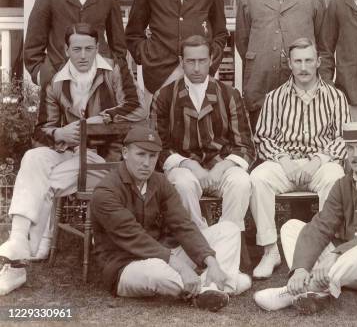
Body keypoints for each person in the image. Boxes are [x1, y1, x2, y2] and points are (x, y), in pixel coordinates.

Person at [0, 23, 145, 296]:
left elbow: (136, 110)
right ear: (66, 49)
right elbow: (40, 131)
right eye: (76, 49)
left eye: (89, 49)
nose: (83, 55)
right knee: (33, 158)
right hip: (68, 153)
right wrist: (59, 132)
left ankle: (20, 256)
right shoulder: (57, 80)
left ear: (97, 48)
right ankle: (20, 240)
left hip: (104, 161)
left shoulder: (113, 70)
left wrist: (98, 121)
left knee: (45, 182)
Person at [253, 121, 357, 314]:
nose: (355, 155)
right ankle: (316, 287)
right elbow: (321, 227)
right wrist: (300, 268)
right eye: (350, 148)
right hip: (352, 272)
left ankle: (297, 291)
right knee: (292, 227)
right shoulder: (343, 184)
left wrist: (335, 255)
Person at [91, 126, 251, 311]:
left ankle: (211, 287)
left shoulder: (159, 181)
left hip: (164, 255)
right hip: (126, 266)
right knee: (156, 272)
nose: (146, 163)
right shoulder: (106, 191)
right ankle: (223, 285)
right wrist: (182, 267)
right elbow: (136, 238)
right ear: (125, 153)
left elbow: (183, 225)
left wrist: (211, 261)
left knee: (228, 229)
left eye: (152, 156)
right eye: (140, 154)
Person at [250, 37, 350, 279]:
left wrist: (318, 160)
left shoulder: (335, 97)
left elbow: (344, 138)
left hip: (320, 163)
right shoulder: (275, 97)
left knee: (336, 176)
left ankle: (326, 249)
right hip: (284, 163)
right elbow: (263, 138)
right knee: (257, 178)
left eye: (308, 61)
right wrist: (284, 161)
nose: (303, 67)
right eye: (298, 61)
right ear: (290, 64)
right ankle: (270, 250)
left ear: (318, 62)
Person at [151, 35, 254, 237]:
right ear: (181, 62)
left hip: (221, 168)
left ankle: (227, 240)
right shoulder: (164, 96)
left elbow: (245, 146)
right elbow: (157, 147)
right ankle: (198, 241)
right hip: (184, 168)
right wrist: (190, 165)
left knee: (241, 182)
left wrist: (221, 168)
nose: (196, 68)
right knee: (182, 184)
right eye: (190, 61)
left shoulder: (229, 94)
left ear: (211, 60)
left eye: (202, 61)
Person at [235, 0, 327, 128]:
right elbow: (242, 42)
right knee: (260, 139)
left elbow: (322, 43)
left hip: (300, 83)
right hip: (261, 83)